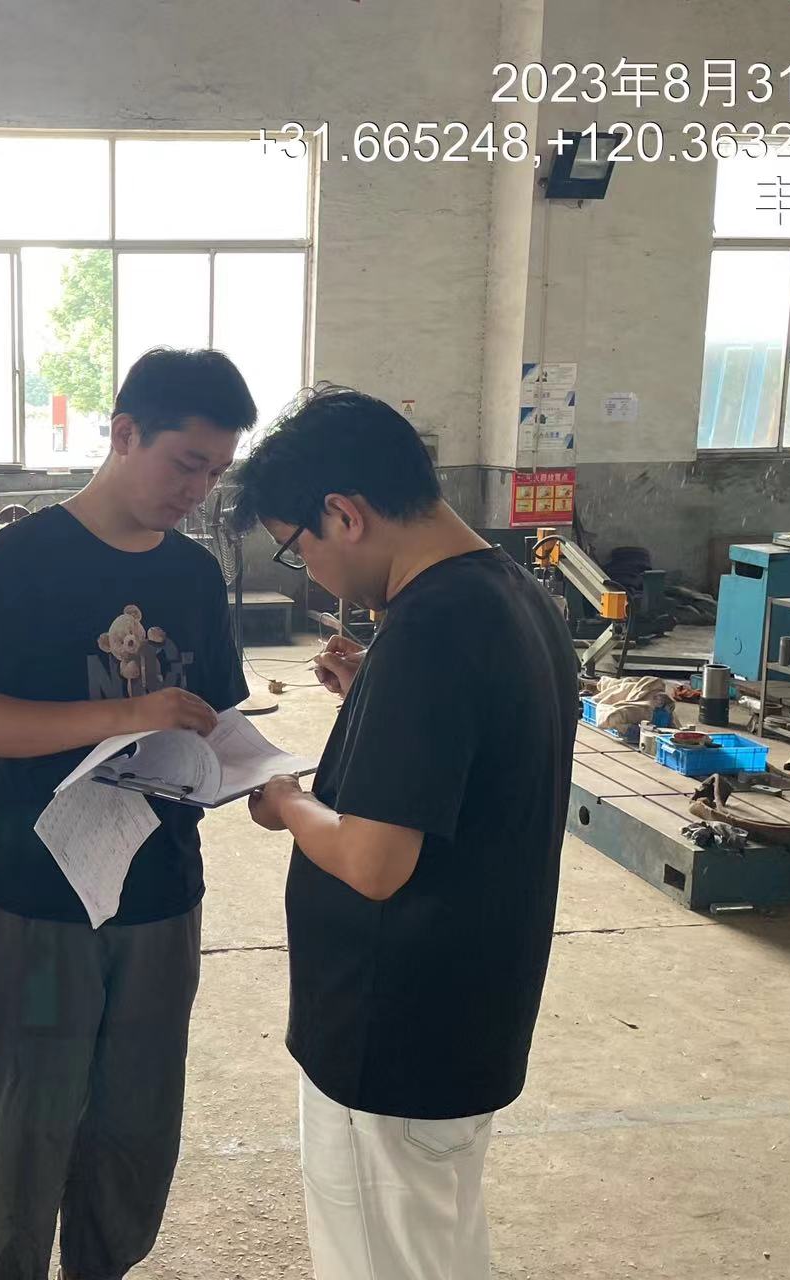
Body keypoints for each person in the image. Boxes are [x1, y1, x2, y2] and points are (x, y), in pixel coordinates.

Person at [235, 386, 577, 1280]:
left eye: (297, 545)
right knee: (436, 1248)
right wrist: (374, 698)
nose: (308, 571)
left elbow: (374, 862)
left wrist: (284, 801)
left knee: (384, 1259)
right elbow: (480, 754)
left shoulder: (428, 630)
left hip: (389, 1034)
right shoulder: (511, 594)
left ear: (344, 514)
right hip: (466, 1013)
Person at [0, 348, 257, 1280]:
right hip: (40, 903)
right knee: (30, 1111)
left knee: (138, 1117)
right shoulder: (22, 558)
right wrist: (123, 715)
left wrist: (263, 776)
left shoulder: (193, 574)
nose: (197, 490)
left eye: (216, 472)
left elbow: (216, 714)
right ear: (123, 434)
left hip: (160, 894)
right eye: (185, 463)